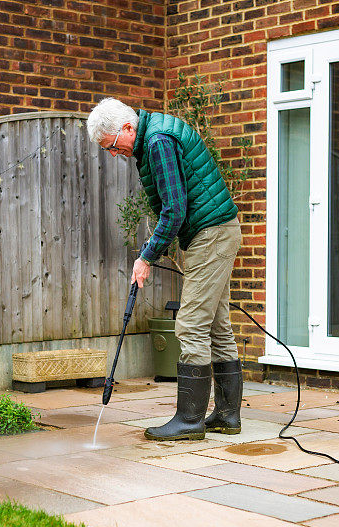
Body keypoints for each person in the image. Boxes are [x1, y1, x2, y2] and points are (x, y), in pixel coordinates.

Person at [87, 97, 243, 441]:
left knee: (189, 325)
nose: (115, 154)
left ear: (128, 128)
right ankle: (228, 416)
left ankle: (190, 421)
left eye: (113, 146)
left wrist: (146, 256)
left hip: (211, 234)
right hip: (216, 231)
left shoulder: (157, 141)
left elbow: (174, 209)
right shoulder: (153, 136)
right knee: (216, 324)